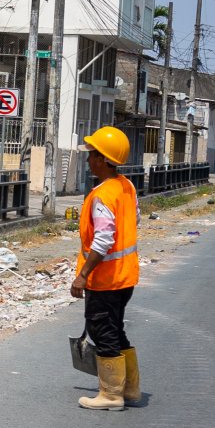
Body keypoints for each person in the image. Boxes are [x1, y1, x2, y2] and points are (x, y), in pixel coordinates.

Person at [72, 125, 141, 411]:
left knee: (103, 332)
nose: (89, 160)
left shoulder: (102, 195)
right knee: (116, 329)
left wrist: (83, 275)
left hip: (105, 279)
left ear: (102, 159)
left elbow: (103, 239)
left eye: (92, 155)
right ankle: (130, 388)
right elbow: (133, 221)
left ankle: (111, 395)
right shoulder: (126, 186)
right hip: (126, 276)